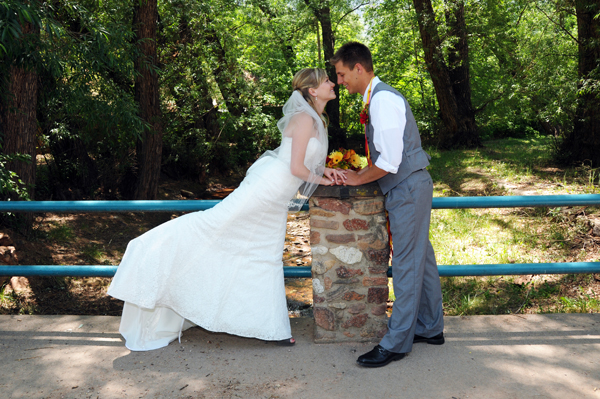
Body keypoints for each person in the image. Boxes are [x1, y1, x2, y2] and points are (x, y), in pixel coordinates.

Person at [108, 68, 344, 351]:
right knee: (213, 227)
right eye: (327, 81)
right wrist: (324, 177)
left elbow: (304, 161)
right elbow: (296, 167)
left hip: (276, 195)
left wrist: (327, 172)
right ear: (313, 91)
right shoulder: (306, 118)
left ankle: (272, 328)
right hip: (266, 190)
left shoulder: (315, 118)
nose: (333, 83)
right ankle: (149, 250)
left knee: (264, 256)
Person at [331, 42, 444, 368]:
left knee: (408, 264)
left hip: (407, 189)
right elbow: (387, 155)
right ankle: (430, 327)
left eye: (341, 74)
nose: (340, 82)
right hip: (409, 187)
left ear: (358, 68)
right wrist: (363, 171)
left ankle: (397, 343)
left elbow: (390, 161)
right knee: (422, 258)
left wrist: (356, 179)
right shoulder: (377, 99)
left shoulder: (382, 101)